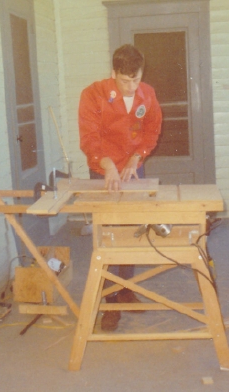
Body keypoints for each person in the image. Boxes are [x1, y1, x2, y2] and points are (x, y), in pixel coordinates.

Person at [78, 44, 162, 331]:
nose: (131, 86)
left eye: (136, 79)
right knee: (109, 234)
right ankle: (109, 299)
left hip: (132, 168)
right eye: (125, 80)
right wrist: (107, 165)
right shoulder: (92, 94)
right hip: (103, 168)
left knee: (133, 231)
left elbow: (152, 129)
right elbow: (89, 136)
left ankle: (127, 287)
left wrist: (138, 157)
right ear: (113, 73)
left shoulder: (147, 94)